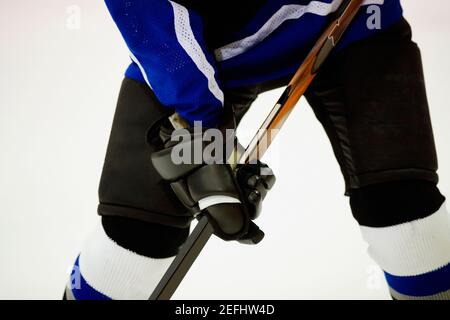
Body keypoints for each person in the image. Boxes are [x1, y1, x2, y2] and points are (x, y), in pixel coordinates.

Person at [64, 0, 450, 300]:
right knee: (134, 239)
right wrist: (204, 130)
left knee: (405, 215)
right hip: (201, 51)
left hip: (353, 25)